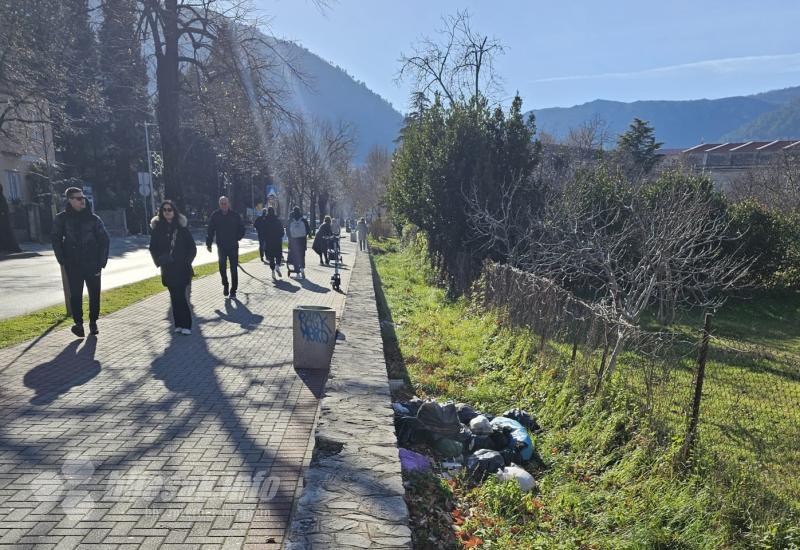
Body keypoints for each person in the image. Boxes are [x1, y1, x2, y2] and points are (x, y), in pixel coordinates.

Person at [52, 186, 110, 338]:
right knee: (76, 295)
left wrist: (101, 262)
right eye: (78, 198)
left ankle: (93, 322)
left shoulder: (93, 219)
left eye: (83, 197)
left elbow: (104, 240)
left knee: (94, 295)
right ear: (70, 200)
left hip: (93, 263)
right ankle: (78, 324)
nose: (82, 201)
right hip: (73, 265)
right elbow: (55, 239)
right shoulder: (62, 219)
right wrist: (62, 259)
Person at [149, 200, 197, 334]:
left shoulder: (182, 229)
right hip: (168, 268)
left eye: (169, 209)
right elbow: (153, 248)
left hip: (181, 268)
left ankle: (186, 325)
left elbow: (192, 248)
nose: (167, 212)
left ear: (174, 211)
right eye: (164, 210)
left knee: (181, 296)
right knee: (173, 297)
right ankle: (178, 324)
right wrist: (159, 260)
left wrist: (187, 262)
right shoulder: (157, 230)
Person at [206, 196, 245, 299]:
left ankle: (233, 290)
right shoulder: (215, 215)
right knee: (222, 268)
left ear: (228, 204)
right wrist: (209, 243)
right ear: (219, 204)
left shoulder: (235, 215)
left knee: (233, 269)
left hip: (233, 247)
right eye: (222, 203)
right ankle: (226, 284)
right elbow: (210, 230)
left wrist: (238, 237)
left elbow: (242, 228)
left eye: (225, 203)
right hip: (221, 247)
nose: (224, 205)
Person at [286, 206, 310, 278]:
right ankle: (302, 269)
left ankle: (297, 273)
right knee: (302, 256)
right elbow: (308, 230)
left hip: (294, 241)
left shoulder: (290, 220)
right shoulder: (303, 220)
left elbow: (287, 232)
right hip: (302, 241)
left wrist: (290, 238)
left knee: (295, 257)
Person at [262, 206, 285, 279]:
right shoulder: (277, 220)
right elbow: (282, 231)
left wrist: (265, 238)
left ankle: (273, 272)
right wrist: (280, 236)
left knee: (271, 257)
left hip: (269, 242)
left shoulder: (265, 221)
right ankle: (277, 266)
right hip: (277, 241)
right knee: (278, 255)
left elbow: (263, 232)